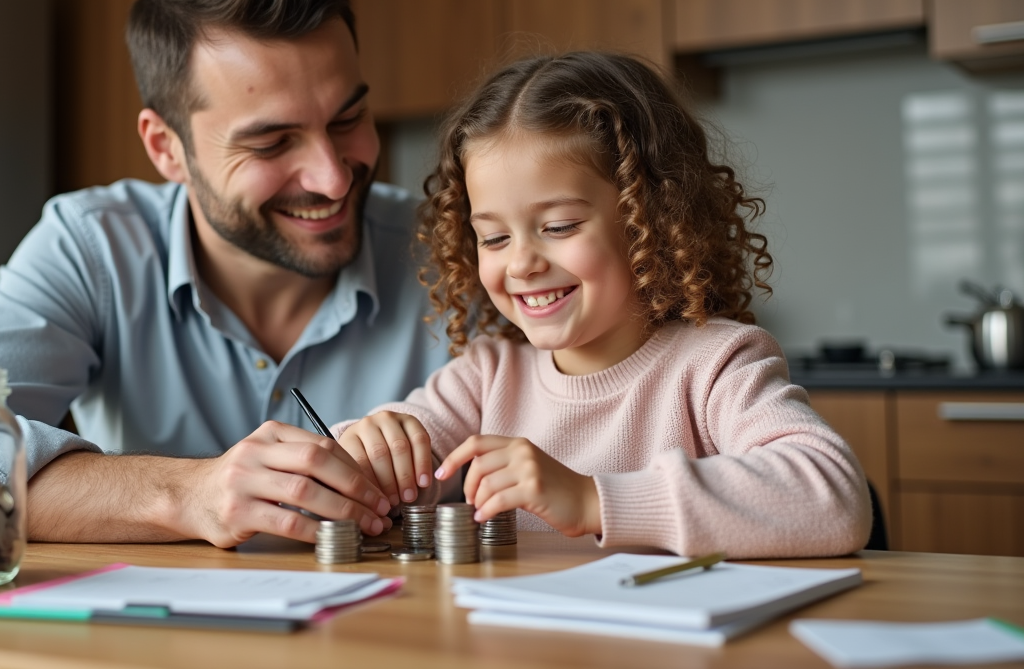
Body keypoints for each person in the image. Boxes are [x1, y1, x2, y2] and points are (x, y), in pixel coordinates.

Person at [0, 0, 451, 548]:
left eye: (348, 119)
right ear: (165, 147)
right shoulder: (93, 247)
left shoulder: (459, 251)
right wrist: (189, 493)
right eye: (271, 142)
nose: (333, 178)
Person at [336, 51, 872, 558]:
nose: (521, 263)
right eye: (494, 239)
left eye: (559, 227)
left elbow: (835, 497)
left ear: (651, 221)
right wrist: (373, 445)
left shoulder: (714, 365)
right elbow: (372, 472)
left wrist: (593, 499)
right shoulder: (487, 375)